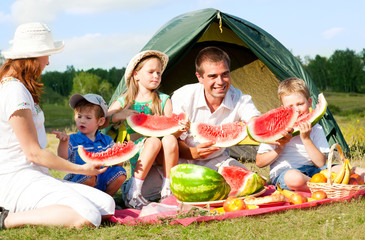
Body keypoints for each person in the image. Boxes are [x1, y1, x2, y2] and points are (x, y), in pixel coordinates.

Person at [0, 22, 115, 230]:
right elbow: (33, 153)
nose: (48, 62)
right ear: (34, 57)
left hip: (36, 176)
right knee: (87, 216)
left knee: (107, 205)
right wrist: (81, 168)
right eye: (47, 55)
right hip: (17, 179)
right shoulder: (14, 90)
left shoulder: (21, 89)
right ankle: (6, 219)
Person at [106, 50, 186, 209]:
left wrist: (179, 128)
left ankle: (167, 188)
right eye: (151, 72)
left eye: (159, 73)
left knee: (167, 139)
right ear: (136, 75)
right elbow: (104, 120)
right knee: (153, 141)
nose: (156, 76)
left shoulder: (164, 100)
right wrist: (121, 114)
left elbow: (170, 128)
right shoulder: (125, 100)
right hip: (139, 155)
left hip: (161, 159)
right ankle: (133, 192)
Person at [171, 46, 261, 171]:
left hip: (218, 161)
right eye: (213, 76)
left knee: (250, 181)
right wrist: (192, 152)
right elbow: (171, 139)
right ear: (200, 78)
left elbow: (255, 121)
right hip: (179, 160)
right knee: (146, 190)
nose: (220, 82)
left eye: (225, 74)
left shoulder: (239, 99)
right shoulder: (183, 96)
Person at [255, 77, 331, 192]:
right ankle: (325, 188)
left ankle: (317, 186)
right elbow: (259, 162)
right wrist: (279, 148)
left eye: (300, 104)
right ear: (283, 109)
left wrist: (306, 139)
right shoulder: (275, 131)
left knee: (348, 170)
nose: (297, 110)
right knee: (294, 178)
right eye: (290, 107)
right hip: (286, 173)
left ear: (309, 102)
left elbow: (320, 163)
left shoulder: (316, 128)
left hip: (315, 172)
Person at [53, 93, 127, 196]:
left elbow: (116, 164)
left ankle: (105, 199)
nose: (82, 121)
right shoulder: (73, 139)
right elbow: (62, 156)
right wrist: (63, 142)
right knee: (89, 175)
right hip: (80, 180)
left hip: (102, 180)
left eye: (88, 118)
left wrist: (120, 154)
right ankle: (84, 202)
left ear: (100, 121)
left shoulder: (107, 140)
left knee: (121, 173)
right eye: (79, 116)